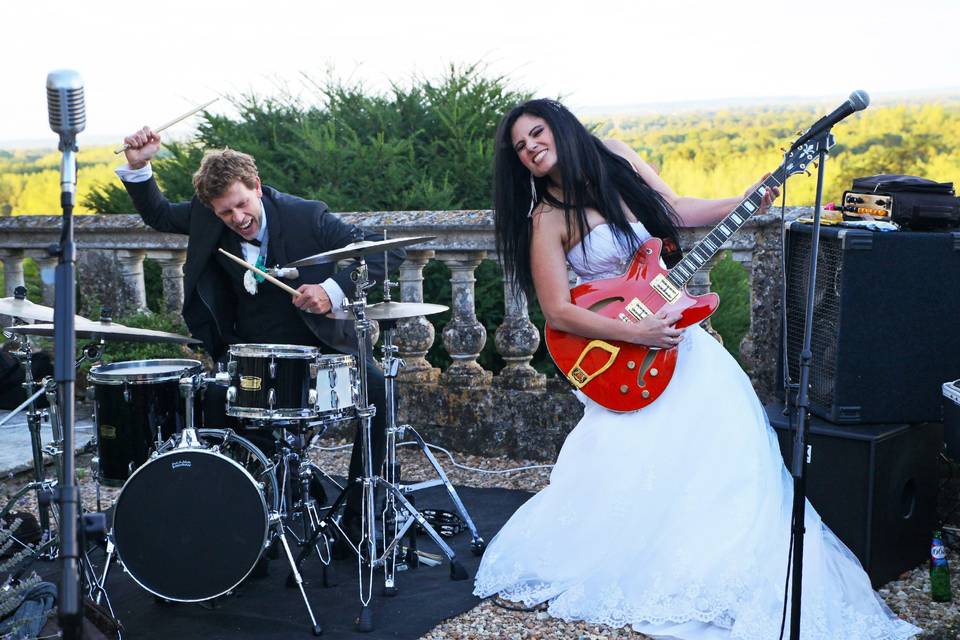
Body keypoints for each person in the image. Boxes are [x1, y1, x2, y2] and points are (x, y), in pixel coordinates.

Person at [473, 99, 920, 639]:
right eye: (521, 147)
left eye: (537, 134)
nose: (531, 149)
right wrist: (636, 333)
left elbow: (677, 209)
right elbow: (559, 311)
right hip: (627, 356)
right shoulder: (547, 217)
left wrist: (747, 198)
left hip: (680, 342)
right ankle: (644, 562)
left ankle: (721, 560)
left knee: (730, 447)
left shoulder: (616, 157)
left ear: (561, 127)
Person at [116, 127, 403, 544]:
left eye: (241, 204)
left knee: (379, 392)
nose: (237, 218)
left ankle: (363, 516)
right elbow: (159, 215)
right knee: (213, 405)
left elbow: (386, 251)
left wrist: (331, 290)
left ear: (257, 187)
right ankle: (247, 520)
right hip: (246, 350)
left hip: (319, 346)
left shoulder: (307, 216)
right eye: (225, 213)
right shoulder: (204, 215)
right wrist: (139, 166)